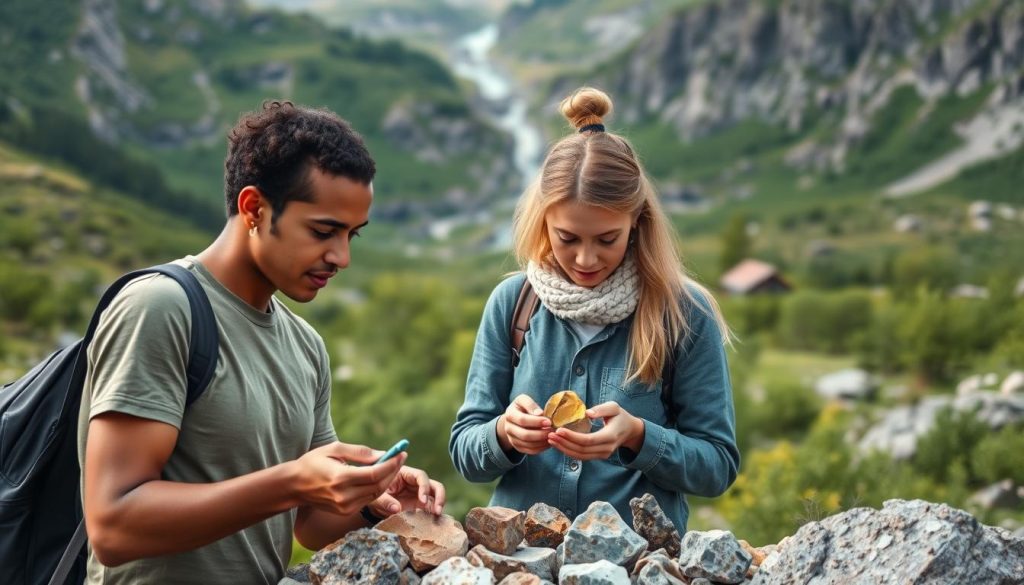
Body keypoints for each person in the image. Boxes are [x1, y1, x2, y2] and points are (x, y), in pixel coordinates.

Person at [78, 101, 445, 585]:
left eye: (352, 235)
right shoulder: (162, 308)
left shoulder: (306, 345)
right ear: (254, 208)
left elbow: (310, 524)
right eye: (323, 231)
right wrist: (291, 480)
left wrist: (376, 501)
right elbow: (113, 525)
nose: (342, 257)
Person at [449, 87, 739, 531]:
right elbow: (466, 454)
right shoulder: (512, 303)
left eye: (607, 239)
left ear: (637, 222)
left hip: (640, 565)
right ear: (543, 221)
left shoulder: (684, 312)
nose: (586, 259)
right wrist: (504, 434)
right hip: (524, 564)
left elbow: (717, 466)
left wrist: (639, 437)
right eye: (567, 238)